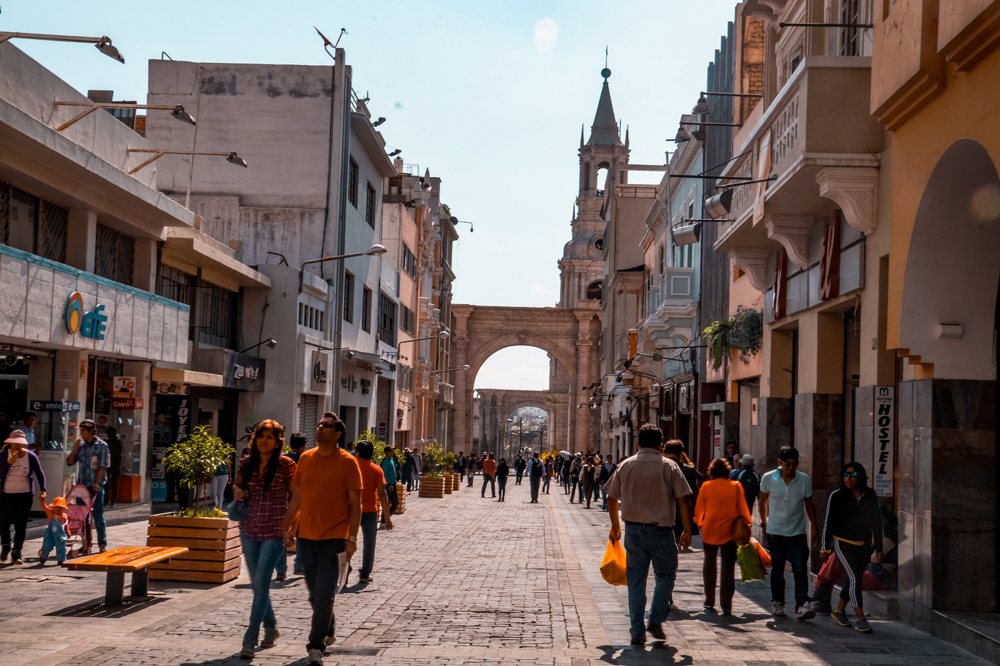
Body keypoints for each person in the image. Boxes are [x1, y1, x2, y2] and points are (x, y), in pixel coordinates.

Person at [282, 413, 362, 665]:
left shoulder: (348, 462)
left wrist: (352, 538)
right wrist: (286, 525)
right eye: (319, 424)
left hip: (335, 536)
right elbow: (298, 495)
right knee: (315, 593)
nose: (320, 428)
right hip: (306, 535)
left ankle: (315, 645)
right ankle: (328, 628)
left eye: (326, 426)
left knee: (325, 592)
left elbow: (355, 502)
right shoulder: (306, 458)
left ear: (337, 433)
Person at [606, 425, 693, 645]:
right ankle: (655, 618)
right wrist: (687, 530)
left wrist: (615, 525)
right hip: (662, 532)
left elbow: (611, 497)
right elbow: (684, 499)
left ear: (638, 445)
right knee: (665, 575)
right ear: (660, 446)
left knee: (636, 581)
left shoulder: (625, 465)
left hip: (633, 531)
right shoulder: (669, 466)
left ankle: (636, 632)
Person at [233, 420, 296, 659]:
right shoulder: (246, 463)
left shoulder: (286, 465)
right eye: (261, 436)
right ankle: (271, 629)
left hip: (275, 531)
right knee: (259, 585)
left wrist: (292, 527)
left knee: (260, 584)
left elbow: (297, 495)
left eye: (270, 437)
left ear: (278, 441)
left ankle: (250, 638)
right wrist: (236, 491)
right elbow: (236, 486)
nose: (264, 441)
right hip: (248, 528)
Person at [759, 446, 820, 620]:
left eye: (795, 464)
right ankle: (777, 602)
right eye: (788, 464)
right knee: (777, 569)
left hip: (797, 533)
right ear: (780, 463)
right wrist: (764, 523)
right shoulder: (768, 478)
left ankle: (802, 603)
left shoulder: (804, 480)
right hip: (775, 532)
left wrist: (815, 528)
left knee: (800, 568)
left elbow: (809, 504)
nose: (791, 468)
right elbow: (762, 501)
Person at [823, 462, 883, 633]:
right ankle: (860, 618)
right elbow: (829, 523)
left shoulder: (870, 495)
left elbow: (876, 522)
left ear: (861, 477)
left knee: (852, 579)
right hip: (842, 543)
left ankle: (839, 610)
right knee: (856, 578)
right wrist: (824, 548)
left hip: (864, 545)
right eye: (845, 475)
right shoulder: (837, 496)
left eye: (852, 475)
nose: (848, 478)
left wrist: (878, 547)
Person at [694, 458, 751, 615]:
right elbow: (743, 510)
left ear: (711, 472)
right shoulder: (735, 486)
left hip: (710, 529)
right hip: (729, 531)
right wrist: (748, 527)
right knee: (728, 565)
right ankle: (726, 603)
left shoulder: (706, 486)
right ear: (727, 472)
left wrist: (699, 523)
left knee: (709, 561)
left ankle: (709, 599)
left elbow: (699, 508)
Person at [0, 430, 46, 564]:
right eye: (14, 444)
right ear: (9, 444)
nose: (16, 447)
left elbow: (40, 473)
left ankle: (17, 551)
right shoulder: (3, 455)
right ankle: (6, 546)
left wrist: (43, 490)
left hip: (24, 494)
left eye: (19, 444)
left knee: (21, 523)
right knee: (4, 523)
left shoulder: (30, 456)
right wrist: (9, 463)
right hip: (6, 494)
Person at [66, 419, 110, 553]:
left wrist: (97, 483)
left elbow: (103, 466)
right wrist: (74, 449)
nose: (81, 434)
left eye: (83, 431)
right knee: (82, 517)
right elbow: (70, 462)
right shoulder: (81, 446)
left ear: (91, 431)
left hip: (95, 486)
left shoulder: (102, 445)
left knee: (97, 515)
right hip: (82, 486)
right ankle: (87, 543)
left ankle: (102, 543)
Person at [355, 441, 393, 584]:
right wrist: (387, 517)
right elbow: (382, 494)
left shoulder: (352, 467)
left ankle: (344, 570)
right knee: (369, 543)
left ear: (357, 452)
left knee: (346, 540)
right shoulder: (376, 470)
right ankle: (365, 574)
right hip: (370, 511)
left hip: (352, 511)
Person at [663, 441, 701, 540]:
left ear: (663, 452)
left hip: (662, 513)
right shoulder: (688, 470)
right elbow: (693, 496)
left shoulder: (657, 467)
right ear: (681, 453)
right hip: (682, 514)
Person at [37, 495, 68, 565]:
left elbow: (66, 525)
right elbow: (44, 507)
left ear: (64, 509)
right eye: (57, 507)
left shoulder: (64, 516)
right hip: (50, 533)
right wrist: (42, 501)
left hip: (60, 534)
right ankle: (43, 557)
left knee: (61, 546)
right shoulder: (50, 513)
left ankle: (61, 559)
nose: (59, 509)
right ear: (53, 507)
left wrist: (68, 532)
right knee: (46, 545)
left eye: (61, 508)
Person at [380, 446, 399, 521]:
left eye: (392, 451)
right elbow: (384, 474)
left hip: (393, 484)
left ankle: (386, 518)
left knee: (395, 503)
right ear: (386, 453)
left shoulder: (392, 460)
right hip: (389, 485)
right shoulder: (385, 461)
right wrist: (389, 484)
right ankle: (383, 520)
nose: (392, 453)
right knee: (387, 503)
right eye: (390, 451)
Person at [105, 426, 122, 507]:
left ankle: (105, 501)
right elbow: (120, 453)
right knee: (114, 484)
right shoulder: (118, 442)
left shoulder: (106, 442)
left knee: (106, 483)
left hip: (107, 465)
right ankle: (113, 502)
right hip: (116, 465)